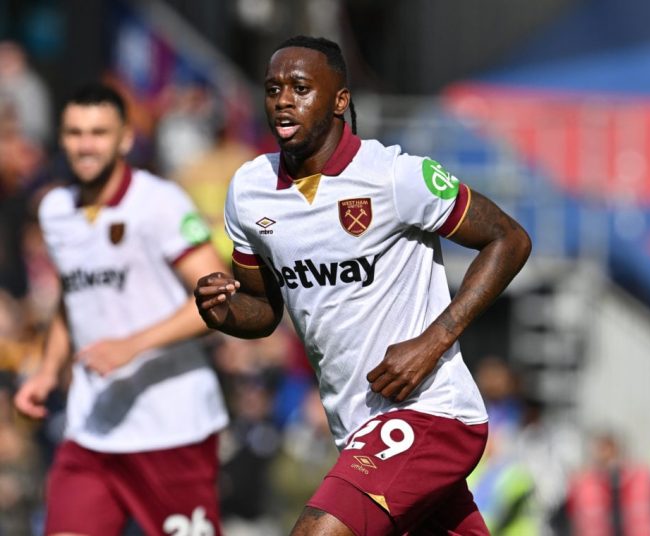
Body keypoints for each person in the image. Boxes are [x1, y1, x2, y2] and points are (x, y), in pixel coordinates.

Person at [194, 35, 532, 535]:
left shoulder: (395, 177)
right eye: (272, 89)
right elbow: (263, 311)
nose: (284, 99)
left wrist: (434, 340)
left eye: (301, 87)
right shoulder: (250, 191)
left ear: (339, 100)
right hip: (355, 427)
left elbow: (509, 239)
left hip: (431, 413)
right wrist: (221, 310)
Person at [14, 83, 229, 535]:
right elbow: (74, 299)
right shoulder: (55, 210)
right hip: (92, 429)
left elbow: (217, 299)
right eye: (74, 133)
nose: (85, 145)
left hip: (172, 429)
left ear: (125, 139)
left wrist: (132, 346)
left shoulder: (159, 203)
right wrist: (49, 372)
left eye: (98, 132)